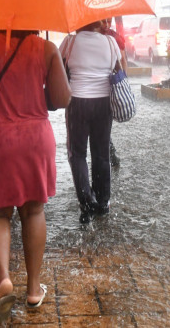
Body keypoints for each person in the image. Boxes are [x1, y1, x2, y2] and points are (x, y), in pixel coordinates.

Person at [0, 30, 70, 323]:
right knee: (33, 211)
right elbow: (61, 98)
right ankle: (33, 290)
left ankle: (4, 279)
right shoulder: (46, 48)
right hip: (36, 139)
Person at [60, 21, 122, 224]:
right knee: (101, 153)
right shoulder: (111, 42)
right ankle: (103, 202)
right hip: (104, 103)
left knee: (77, 154)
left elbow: (59, 70)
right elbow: (121, 70)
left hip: (77, 102)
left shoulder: (69, 42)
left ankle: (87, 203)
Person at [100, 18, 128, 168]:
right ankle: (110, 152)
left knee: (104, 125)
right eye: (104, 20)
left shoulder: (114, 38)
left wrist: (124, 82)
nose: (106, 24)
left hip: (110, 87)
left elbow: (122, 60)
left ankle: (109, 151)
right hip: (103, 88)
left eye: (108, 20)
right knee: (102, 125)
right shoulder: (98, 35)